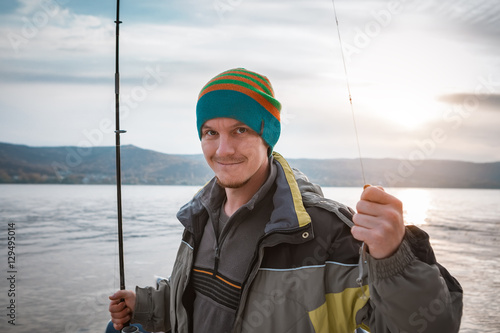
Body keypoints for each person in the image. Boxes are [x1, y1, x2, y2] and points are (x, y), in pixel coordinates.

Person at [109, 68, 463, 332]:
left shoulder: (326, 233)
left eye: (240, 130)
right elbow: (202, 301)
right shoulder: (200, 216)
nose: (223, 149)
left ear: (268, 136)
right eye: (210, 133)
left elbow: (424, 326)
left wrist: (392, 258)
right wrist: (148, 305)